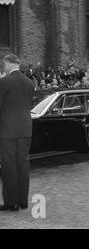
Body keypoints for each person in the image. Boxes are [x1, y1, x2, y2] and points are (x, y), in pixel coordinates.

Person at [0, 54, 35, 211]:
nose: (3, 67)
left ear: (8, 63)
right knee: (23, 164)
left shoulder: (4, 82)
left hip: (8, 130)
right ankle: (23, 201)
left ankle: (11, 202)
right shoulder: (29, 82)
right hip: (25, 129)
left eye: (3, 64)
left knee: (9, 166)